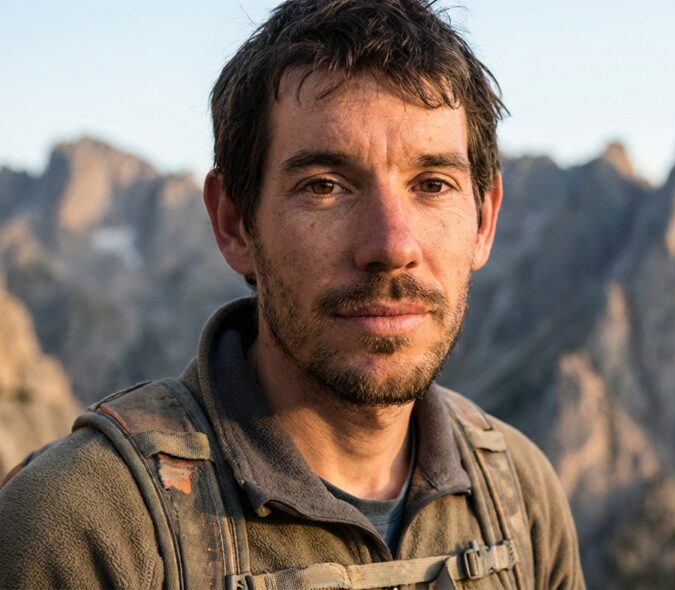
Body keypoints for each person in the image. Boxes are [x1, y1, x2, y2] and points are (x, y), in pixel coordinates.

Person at [0, 1, 584, 588]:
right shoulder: (83, 524)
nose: (391, 245)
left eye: (433, 184)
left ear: (484, 222)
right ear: (235, 224)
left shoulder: (521, 497)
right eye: (324, 186)